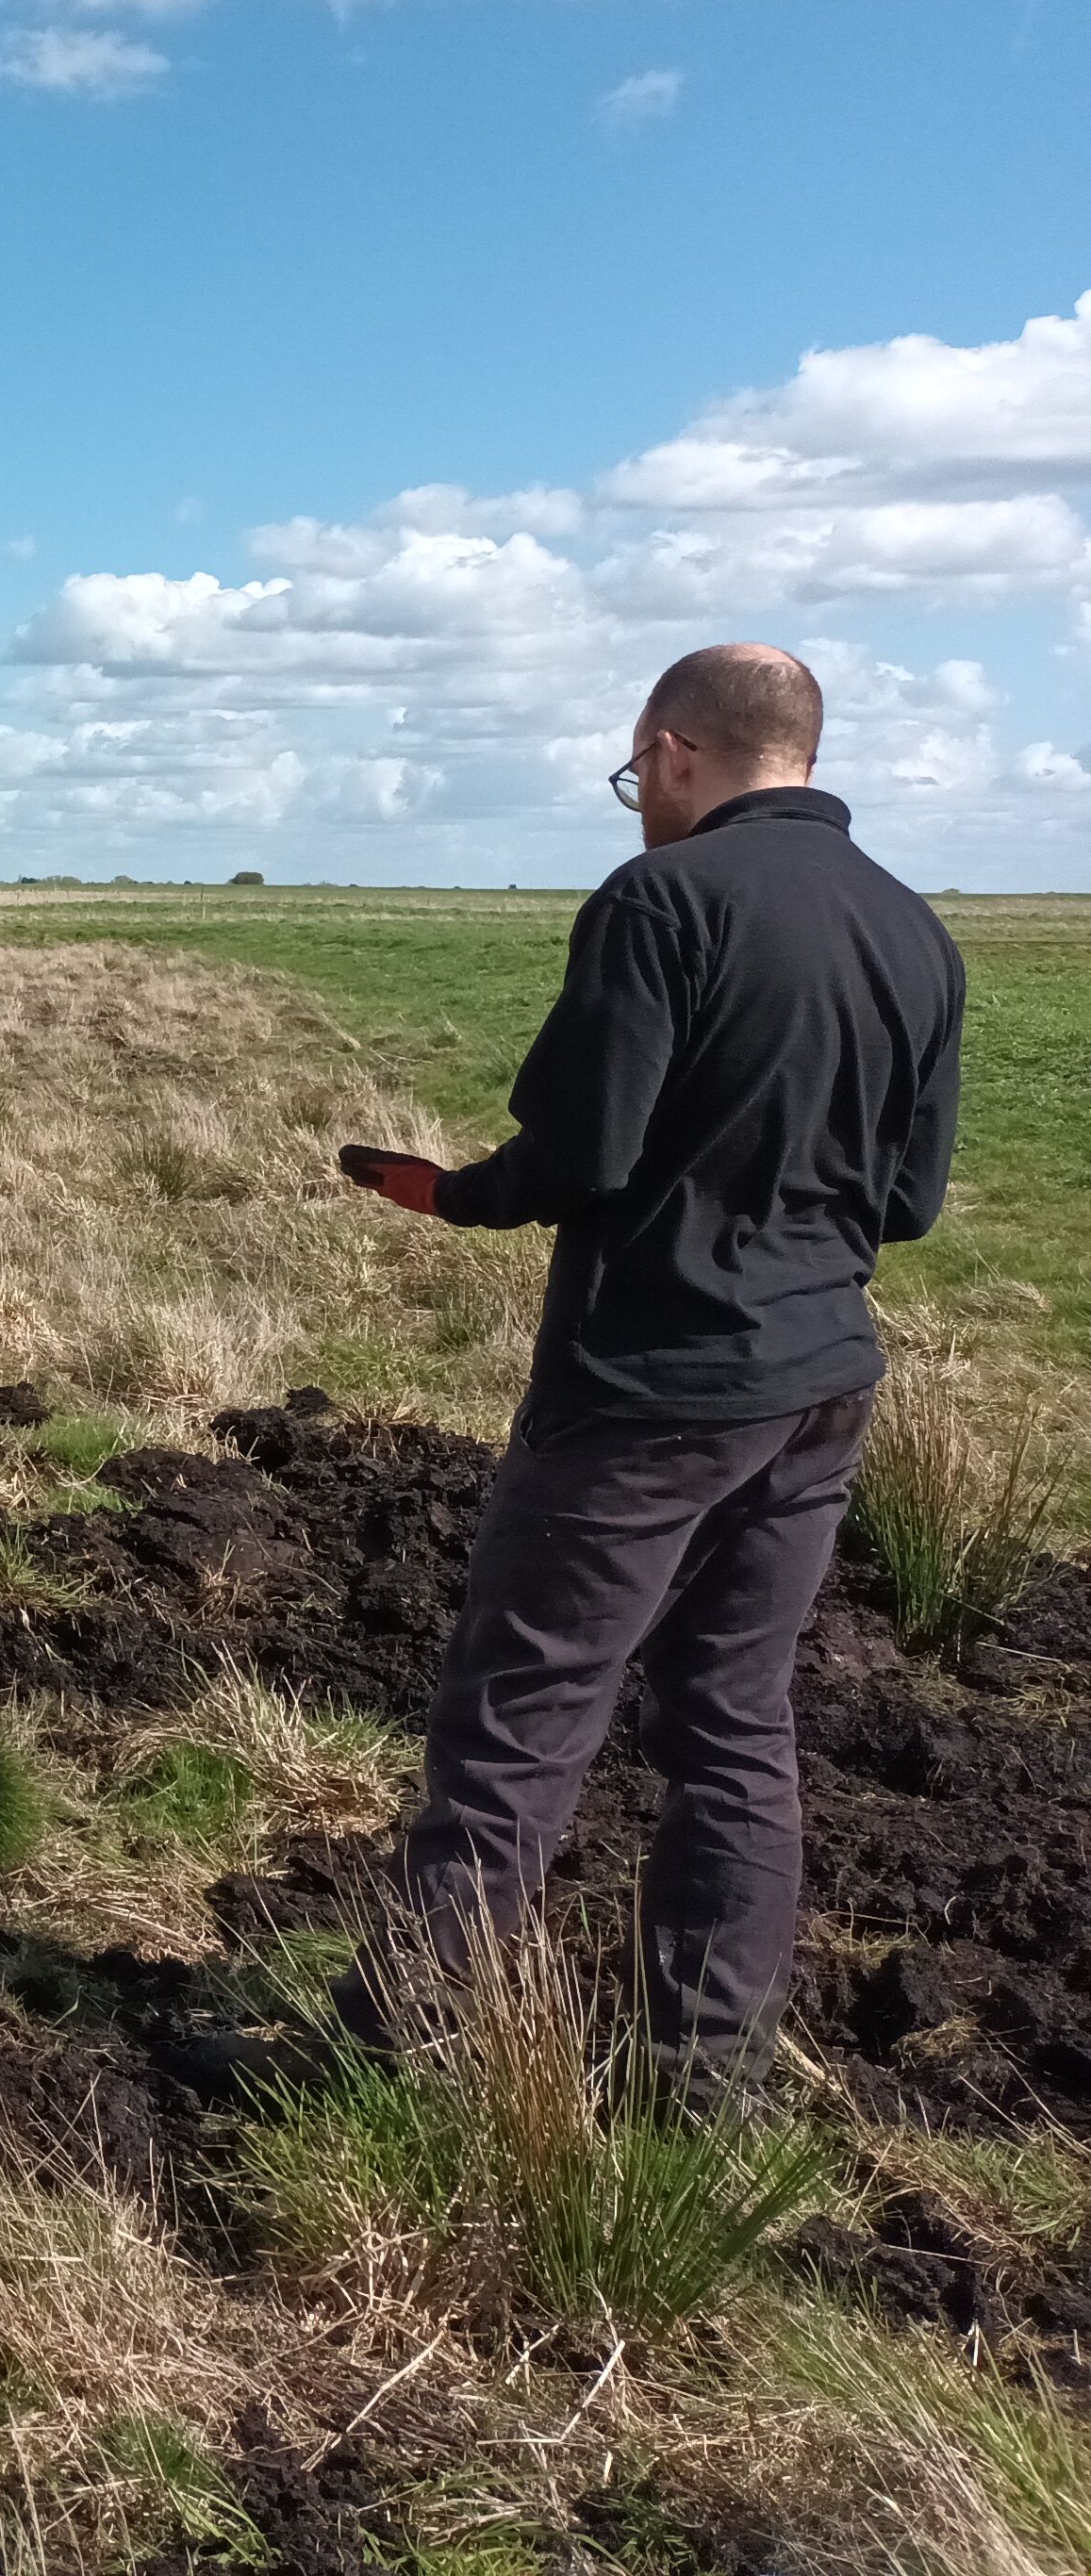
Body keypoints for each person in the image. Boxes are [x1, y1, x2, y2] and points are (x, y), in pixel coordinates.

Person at [339, 642, 963, 2098]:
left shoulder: (662, 900)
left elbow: (585, 1152)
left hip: (649, 1390)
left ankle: (406, 2062)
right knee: (736, 1723)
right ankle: (708, 2082)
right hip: (821, 1387)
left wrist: (451, 1195)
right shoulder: (914, 930)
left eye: (637, 776)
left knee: (520, 1717)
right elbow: (913, 1201)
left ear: (677, 752)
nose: (635, 803)